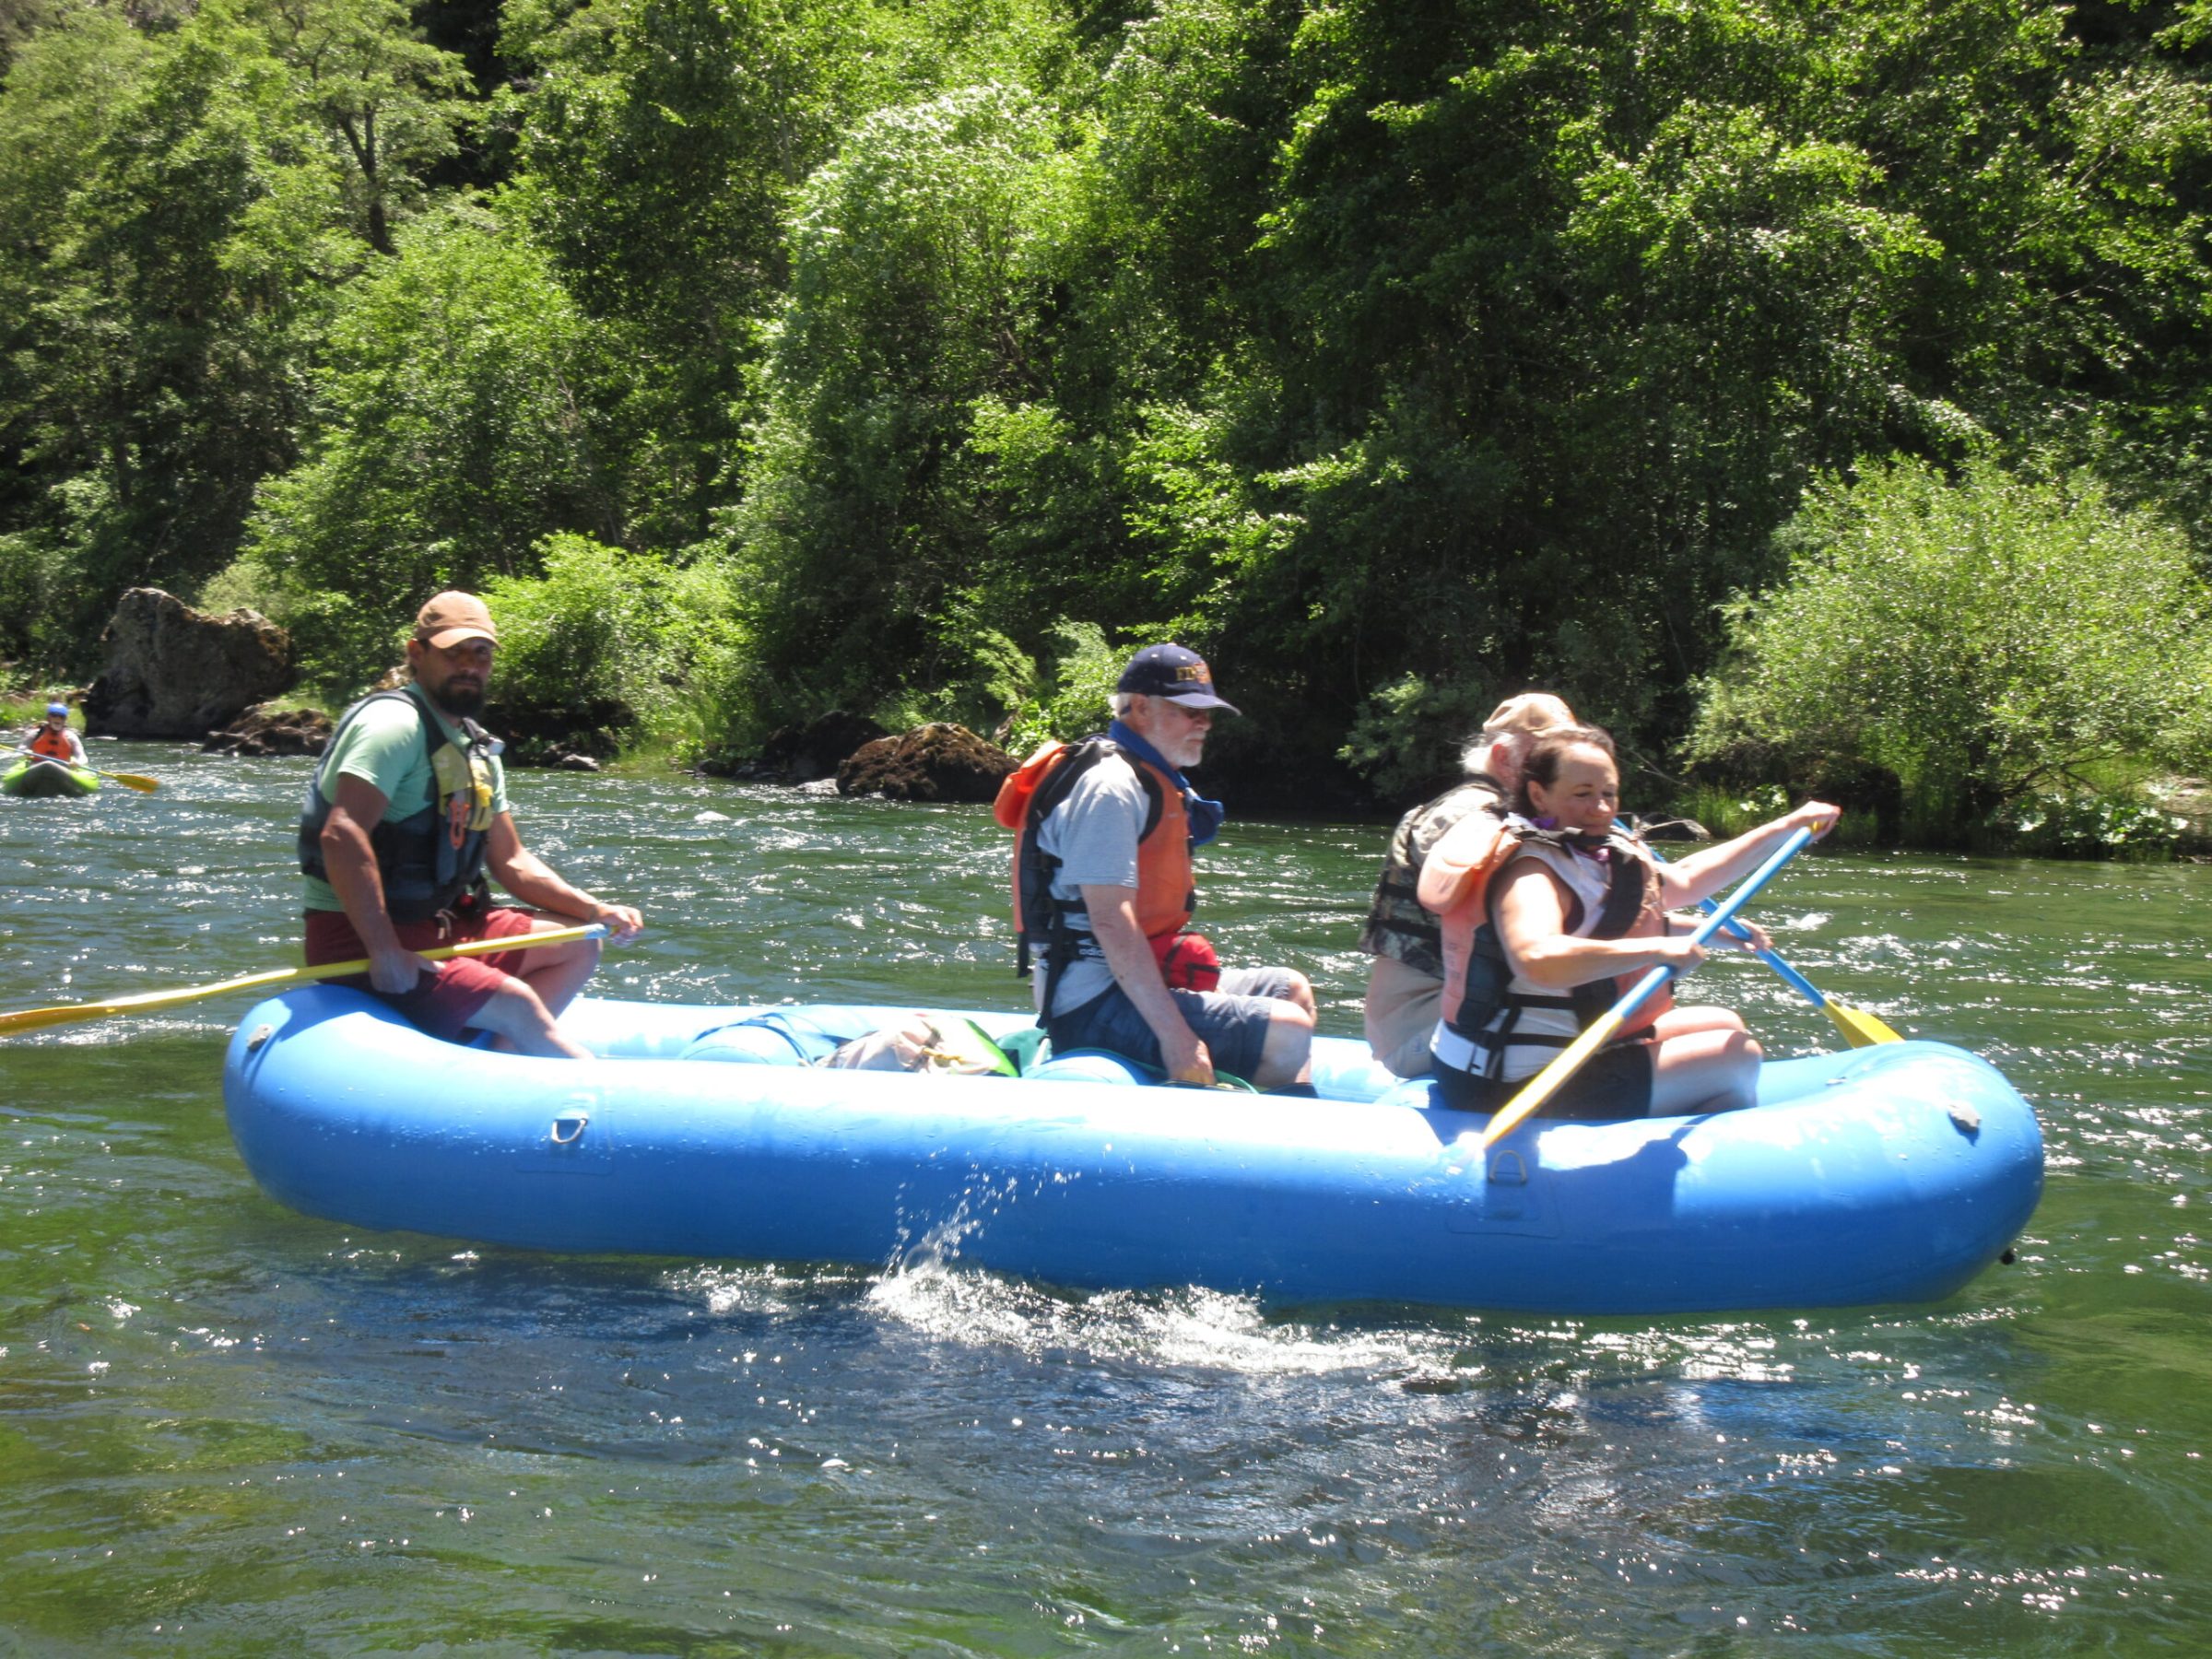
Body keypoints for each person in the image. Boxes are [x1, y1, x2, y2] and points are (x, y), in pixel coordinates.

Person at [1424, 725, 1838, 1120]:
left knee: (1725, 1024)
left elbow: (1684, 881)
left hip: (1568, 1047)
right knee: (1737, 1057)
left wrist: (1785, 829)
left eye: (1609, 793)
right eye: (1582, 793)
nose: (1601, 808)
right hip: (1507, 1080)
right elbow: (1538, 957)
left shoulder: (1589, 853)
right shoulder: (1530, 870)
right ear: (1539, 794)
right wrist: (1657, 949)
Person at [298, 591, 644, 1057]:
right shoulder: (393, 725)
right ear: (416, 654)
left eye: (480, 654)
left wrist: (594, 909)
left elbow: (513, 861)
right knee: (518, 1002)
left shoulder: (476, 748)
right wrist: (383, 951)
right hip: (356, 935)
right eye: (453, 652)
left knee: (580, 944)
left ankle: (502, 1064)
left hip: (445, 926)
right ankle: (605, 1107)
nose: (469, 665)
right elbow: (342, 833)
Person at [1000, 643, 1314, 1089]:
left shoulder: (1148, 776)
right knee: (1289, 1030)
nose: (1204, 723)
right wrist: (1178, 1039)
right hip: (1089, 1004)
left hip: (1134, 980)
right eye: (1189, 711)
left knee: (1290, 988)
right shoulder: (1109, 788)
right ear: (1141, 708)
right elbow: (1111, 921)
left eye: (1207, 712)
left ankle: (1295, 1132)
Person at [1358, 692, 1577, 1077]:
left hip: (1455, 1015)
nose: (1562, 767)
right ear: (1504, 757)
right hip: (1417, 1030)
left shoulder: (1515, 818)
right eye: (1547, 756)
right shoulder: (1467, 816)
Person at [21, 701, 88, 768]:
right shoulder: (35, 733)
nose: (58, 718)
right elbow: (21, 749)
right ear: (48, 718)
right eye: (54, 715)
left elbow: (82, 757)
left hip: (62, 768)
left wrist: (79, 763)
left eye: (61, 717)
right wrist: (25, 751)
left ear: (65, 720)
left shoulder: (71, 737)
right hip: (35, 765)